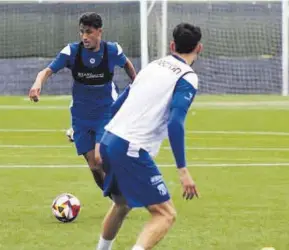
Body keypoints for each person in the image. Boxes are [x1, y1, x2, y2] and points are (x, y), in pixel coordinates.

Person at [96, 23, 202, 250]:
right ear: (199, 48)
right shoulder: (187, 76)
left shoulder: (151, 67)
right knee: (165, 214)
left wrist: (102, 139)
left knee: (122, 203)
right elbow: (175, 122)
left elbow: (116, 107)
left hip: (109, 140)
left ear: (172, 45)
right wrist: (182, 170)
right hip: (130, 147)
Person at [29, 12, 136, 190]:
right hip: (81, 115)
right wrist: (37, 84)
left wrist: (136, 82)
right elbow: (46, 71)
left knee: (101, 158)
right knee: (94, 167)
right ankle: (115, 200)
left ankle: (121, 196)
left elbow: (127, 64)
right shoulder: (71, 51)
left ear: (99, 32)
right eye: (82, 32)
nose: (84, 37)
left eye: (89, 32)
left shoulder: (112, 50)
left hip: (106, 111)